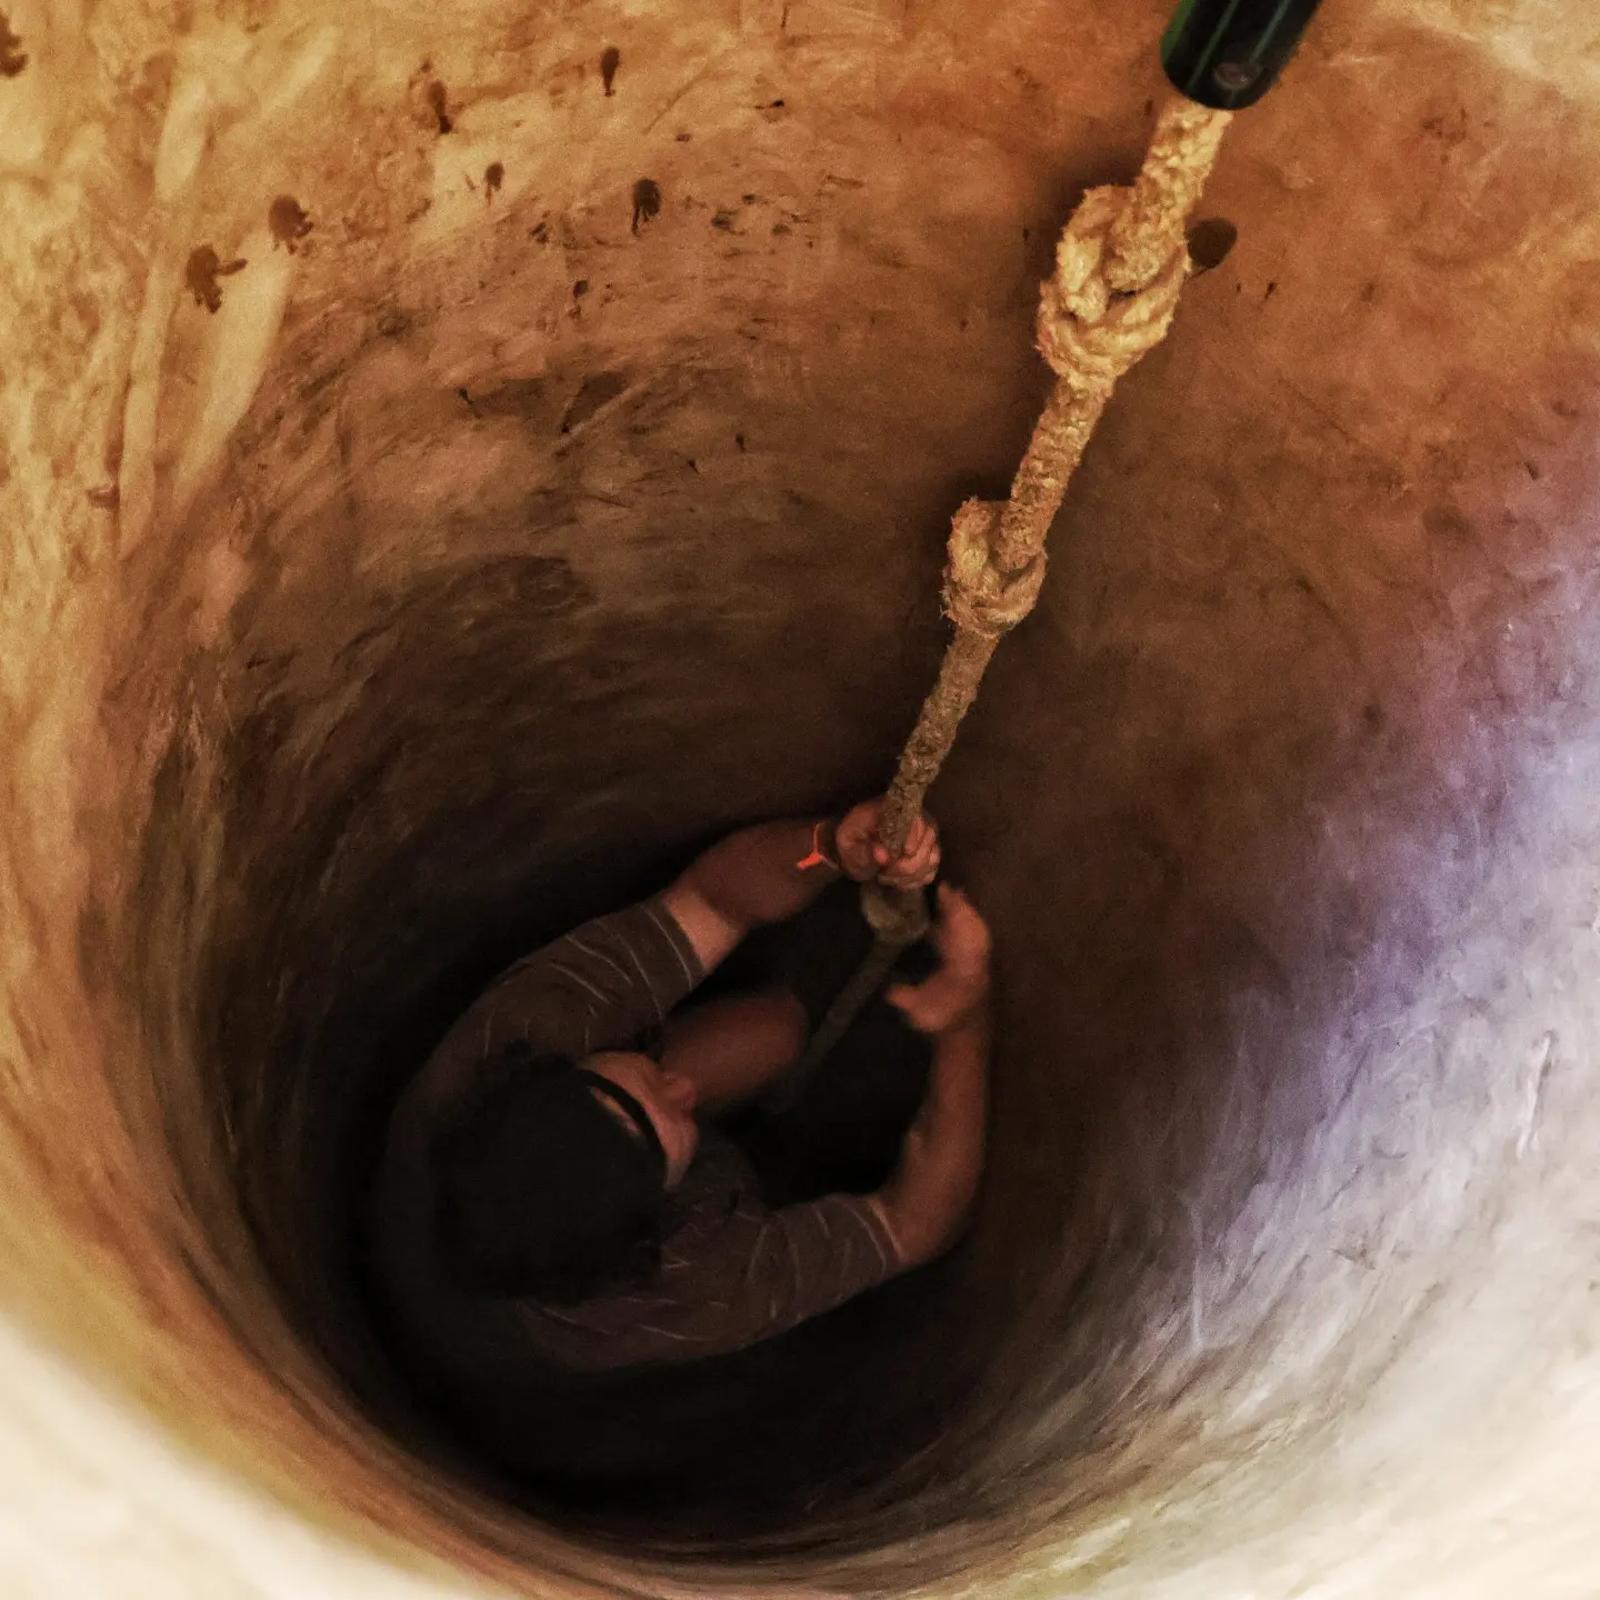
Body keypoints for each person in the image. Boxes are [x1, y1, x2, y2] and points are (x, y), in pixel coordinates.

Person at [368, 796, 991, 1396]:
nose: (685, 1086)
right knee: (761, 1042)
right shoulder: (684, 1283)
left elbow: (711, 902)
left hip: (484, 1212)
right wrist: (964, 1015)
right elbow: (911, 1226)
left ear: (545, 1073)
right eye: (674, 1119)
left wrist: (827, 847)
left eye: (646, 1078)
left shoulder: (527, 1032)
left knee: (770, 1035)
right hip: (491, 1336)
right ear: (659, 1221)